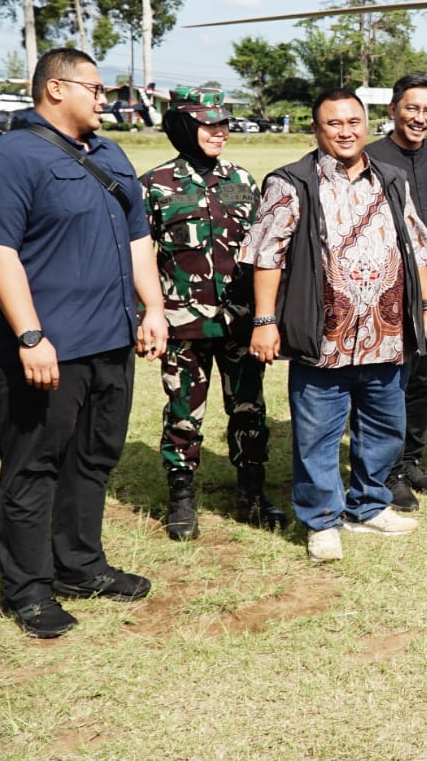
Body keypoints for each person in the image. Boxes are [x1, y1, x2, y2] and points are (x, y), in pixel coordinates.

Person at [0, 47, 168, 639]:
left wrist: (153, 307)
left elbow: (138, 238)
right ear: (56, 88)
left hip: (109, 340)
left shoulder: (109, 154)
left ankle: (80, 565)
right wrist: (30, 335)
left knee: (93, 457)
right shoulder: (11, 156)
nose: (104, 100)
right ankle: (29, 590)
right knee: (33, 466)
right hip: (44, 349)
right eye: (96, 89)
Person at [244, 90, 427, 561]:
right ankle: (322, 521)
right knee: (317, 435)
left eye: (354, 122)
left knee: (385, 427)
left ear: (367, 125)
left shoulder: (391, 179)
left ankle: (368, 507)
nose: (346, 131)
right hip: (323, 337)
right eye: (334, 123)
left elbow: (415, 246)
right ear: (316, 130)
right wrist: (265, 320)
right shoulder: (292, 183)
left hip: (387, 334)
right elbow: (268, 255)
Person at [140, 86, 283, 542]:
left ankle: (252, 492)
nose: (219, 131)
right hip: (182, 324)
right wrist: (147, 314)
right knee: (183, 413)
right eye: (208, 124)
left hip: (240, 322)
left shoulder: (242, 180)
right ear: (184, 126)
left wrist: (266, 316)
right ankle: (182, 498)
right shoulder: (154, 185)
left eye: (223, 123)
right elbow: (139, 257)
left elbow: (263, 251)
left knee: (249, 409)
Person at [366, 74, 427, 510]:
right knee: (388, 383)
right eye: (412, 109)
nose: (420, 118)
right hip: (385, 288)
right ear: (393, 110)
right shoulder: (369, 158)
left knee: (424, 379)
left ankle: (412, 460)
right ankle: (388, 470)